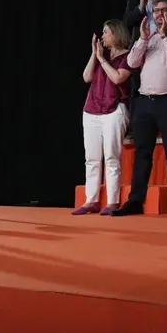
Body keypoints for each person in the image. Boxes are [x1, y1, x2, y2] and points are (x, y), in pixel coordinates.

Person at [114, 0, 167, 216]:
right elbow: (131, 63)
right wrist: (141, 39)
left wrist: (165, 35)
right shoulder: (148, 36)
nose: (159, 14)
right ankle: (135, 201)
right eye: (156, 11)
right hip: (144, 102)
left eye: (164, 10)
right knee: (142, 152)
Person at [73, 19, 132, 216]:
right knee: (91, 158)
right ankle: (92, 200)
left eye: (106, 32)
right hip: (91, 109)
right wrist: (94, 54)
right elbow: (86, 77)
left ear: (116, 34)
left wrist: (103, 59)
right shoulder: (100, 55)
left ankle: (113, 201)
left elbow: (117, 78)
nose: (102, 36)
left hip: (114, 110)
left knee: (111, 157)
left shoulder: (127, 57)